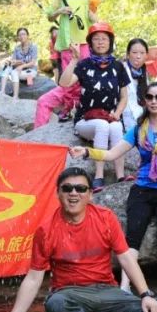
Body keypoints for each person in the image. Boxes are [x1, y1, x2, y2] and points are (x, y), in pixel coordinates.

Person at [0, 167, 157, 312]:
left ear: (90, 194)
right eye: (67, 188)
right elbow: (33, 279)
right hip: (69, 293)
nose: (74, 193)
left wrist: (146, 295)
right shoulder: (46, 230)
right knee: (54, 303)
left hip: (106, 291)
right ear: (58, 193)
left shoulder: (106, 218)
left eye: (81, 188)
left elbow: (126, 258)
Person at [69, 81, 157, 297]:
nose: (154, 101)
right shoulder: (139, 130)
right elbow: (111, 154)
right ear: (144, 101)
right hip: (142, 188)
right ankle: (125, 285)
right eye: (149, 97)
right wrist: (87, 152)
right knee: (133, 236)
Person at [60, 22, 130, 191]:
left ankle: (120, 175)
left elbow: (124, 97)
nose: (100, 42)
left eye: (104, 39)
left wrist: (117, 113)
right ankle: (99, 176)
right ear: (90, 43)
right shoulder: (84, 65)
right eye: (96, 39)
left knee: (116, 127)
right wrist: (74, 59)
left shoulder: (118, 66)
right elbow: (64, 83)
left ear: (110, 42)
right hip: (86, 119)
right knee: (102, 125)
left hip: (110, 117)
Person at [2, 27, 39, 100]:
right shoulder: (17, 48)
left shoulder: (33, 47)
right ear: (18, 37)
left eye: (24, 34)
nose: (22, 36)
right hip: (20, 70)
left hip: (30, 70)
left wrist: (22, 66)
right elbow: (14, 61)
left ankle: (16, 96)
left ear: (27, 35)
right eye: (20, 35)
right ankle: (2, 92)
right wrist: (9, 62)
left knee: (15, 73)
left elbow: (33, 63)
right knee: (7, 68)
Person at [122, 38, 149, 133]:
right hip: (125, 113)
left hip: (141, 111)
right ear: (128, 54)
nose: (138, 56)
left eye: (142, 53)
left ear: (146, 55)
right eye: (134, 52)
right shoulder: (121, 69)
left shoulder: (144, 72)